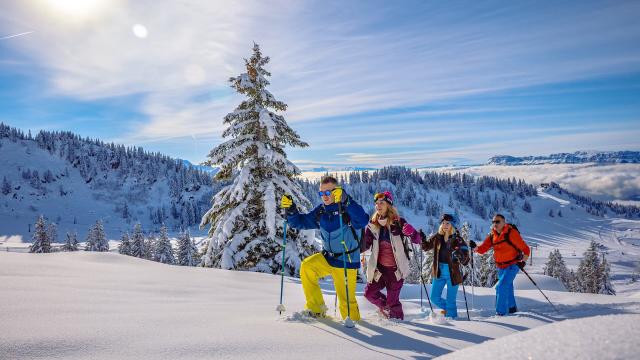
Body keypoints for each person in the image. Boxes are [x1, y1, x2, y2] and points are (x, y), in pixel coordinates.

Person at [281, 176, 369, 320]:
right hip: (327, 258)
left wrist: (346, 200)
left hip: (345, 261)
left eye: (328, 192)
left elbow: (362, 220)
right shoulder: (321, 211)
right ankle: (316, 309)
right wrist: (291, 211)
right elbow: (301, 222)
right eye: (321, 193)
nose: (324, 196)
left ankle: (353, 324)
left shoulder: (347, 209)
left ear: (337, 191)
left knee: (347, 301)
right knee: (307, 267)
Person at [361, 191, 421, 320]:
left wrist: (413, 233)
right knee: (369, 294)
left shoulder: (398, 222)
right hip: (380, 270)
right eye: (376, 203)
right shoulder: (372, 225)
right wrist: (353, 248)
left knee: (393, 302)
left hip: (395, 271)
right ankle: (386, 309)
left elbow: (417, 240)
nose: (378, 205)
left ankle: (398, 323)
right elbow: (365, 245)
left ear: (389, 205)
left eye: (382, 203)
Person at [474, 213, 530, 316]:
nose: (495, 224)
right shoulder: (492, 235)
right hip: (501, 267)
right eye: (493, 222)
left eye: (498, 221)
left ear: (504, 222)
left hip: (513, 265)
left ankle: (500, 313)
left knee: (501, 287)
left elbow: (526, 249)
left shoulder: (511, 233)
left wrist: (523, 261)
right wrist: (475, 248)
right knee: (507, 287)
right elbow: (482, 249)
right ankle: (512, 308)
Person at [420, 214, 470, 319]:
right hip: (439, 271)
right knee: (434, 297)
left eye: (448, 223)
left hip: (452, 273)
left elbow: (466, 259)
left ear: (452, 225)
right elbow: (426, 247)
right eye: (443, 223)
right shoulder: (437, 237)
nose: (445, 225)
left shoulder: (458, 239)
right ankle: (449, 311)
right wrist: (422, 240)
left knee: (451, 301)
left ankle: (452, 319)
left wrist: (460, 255)